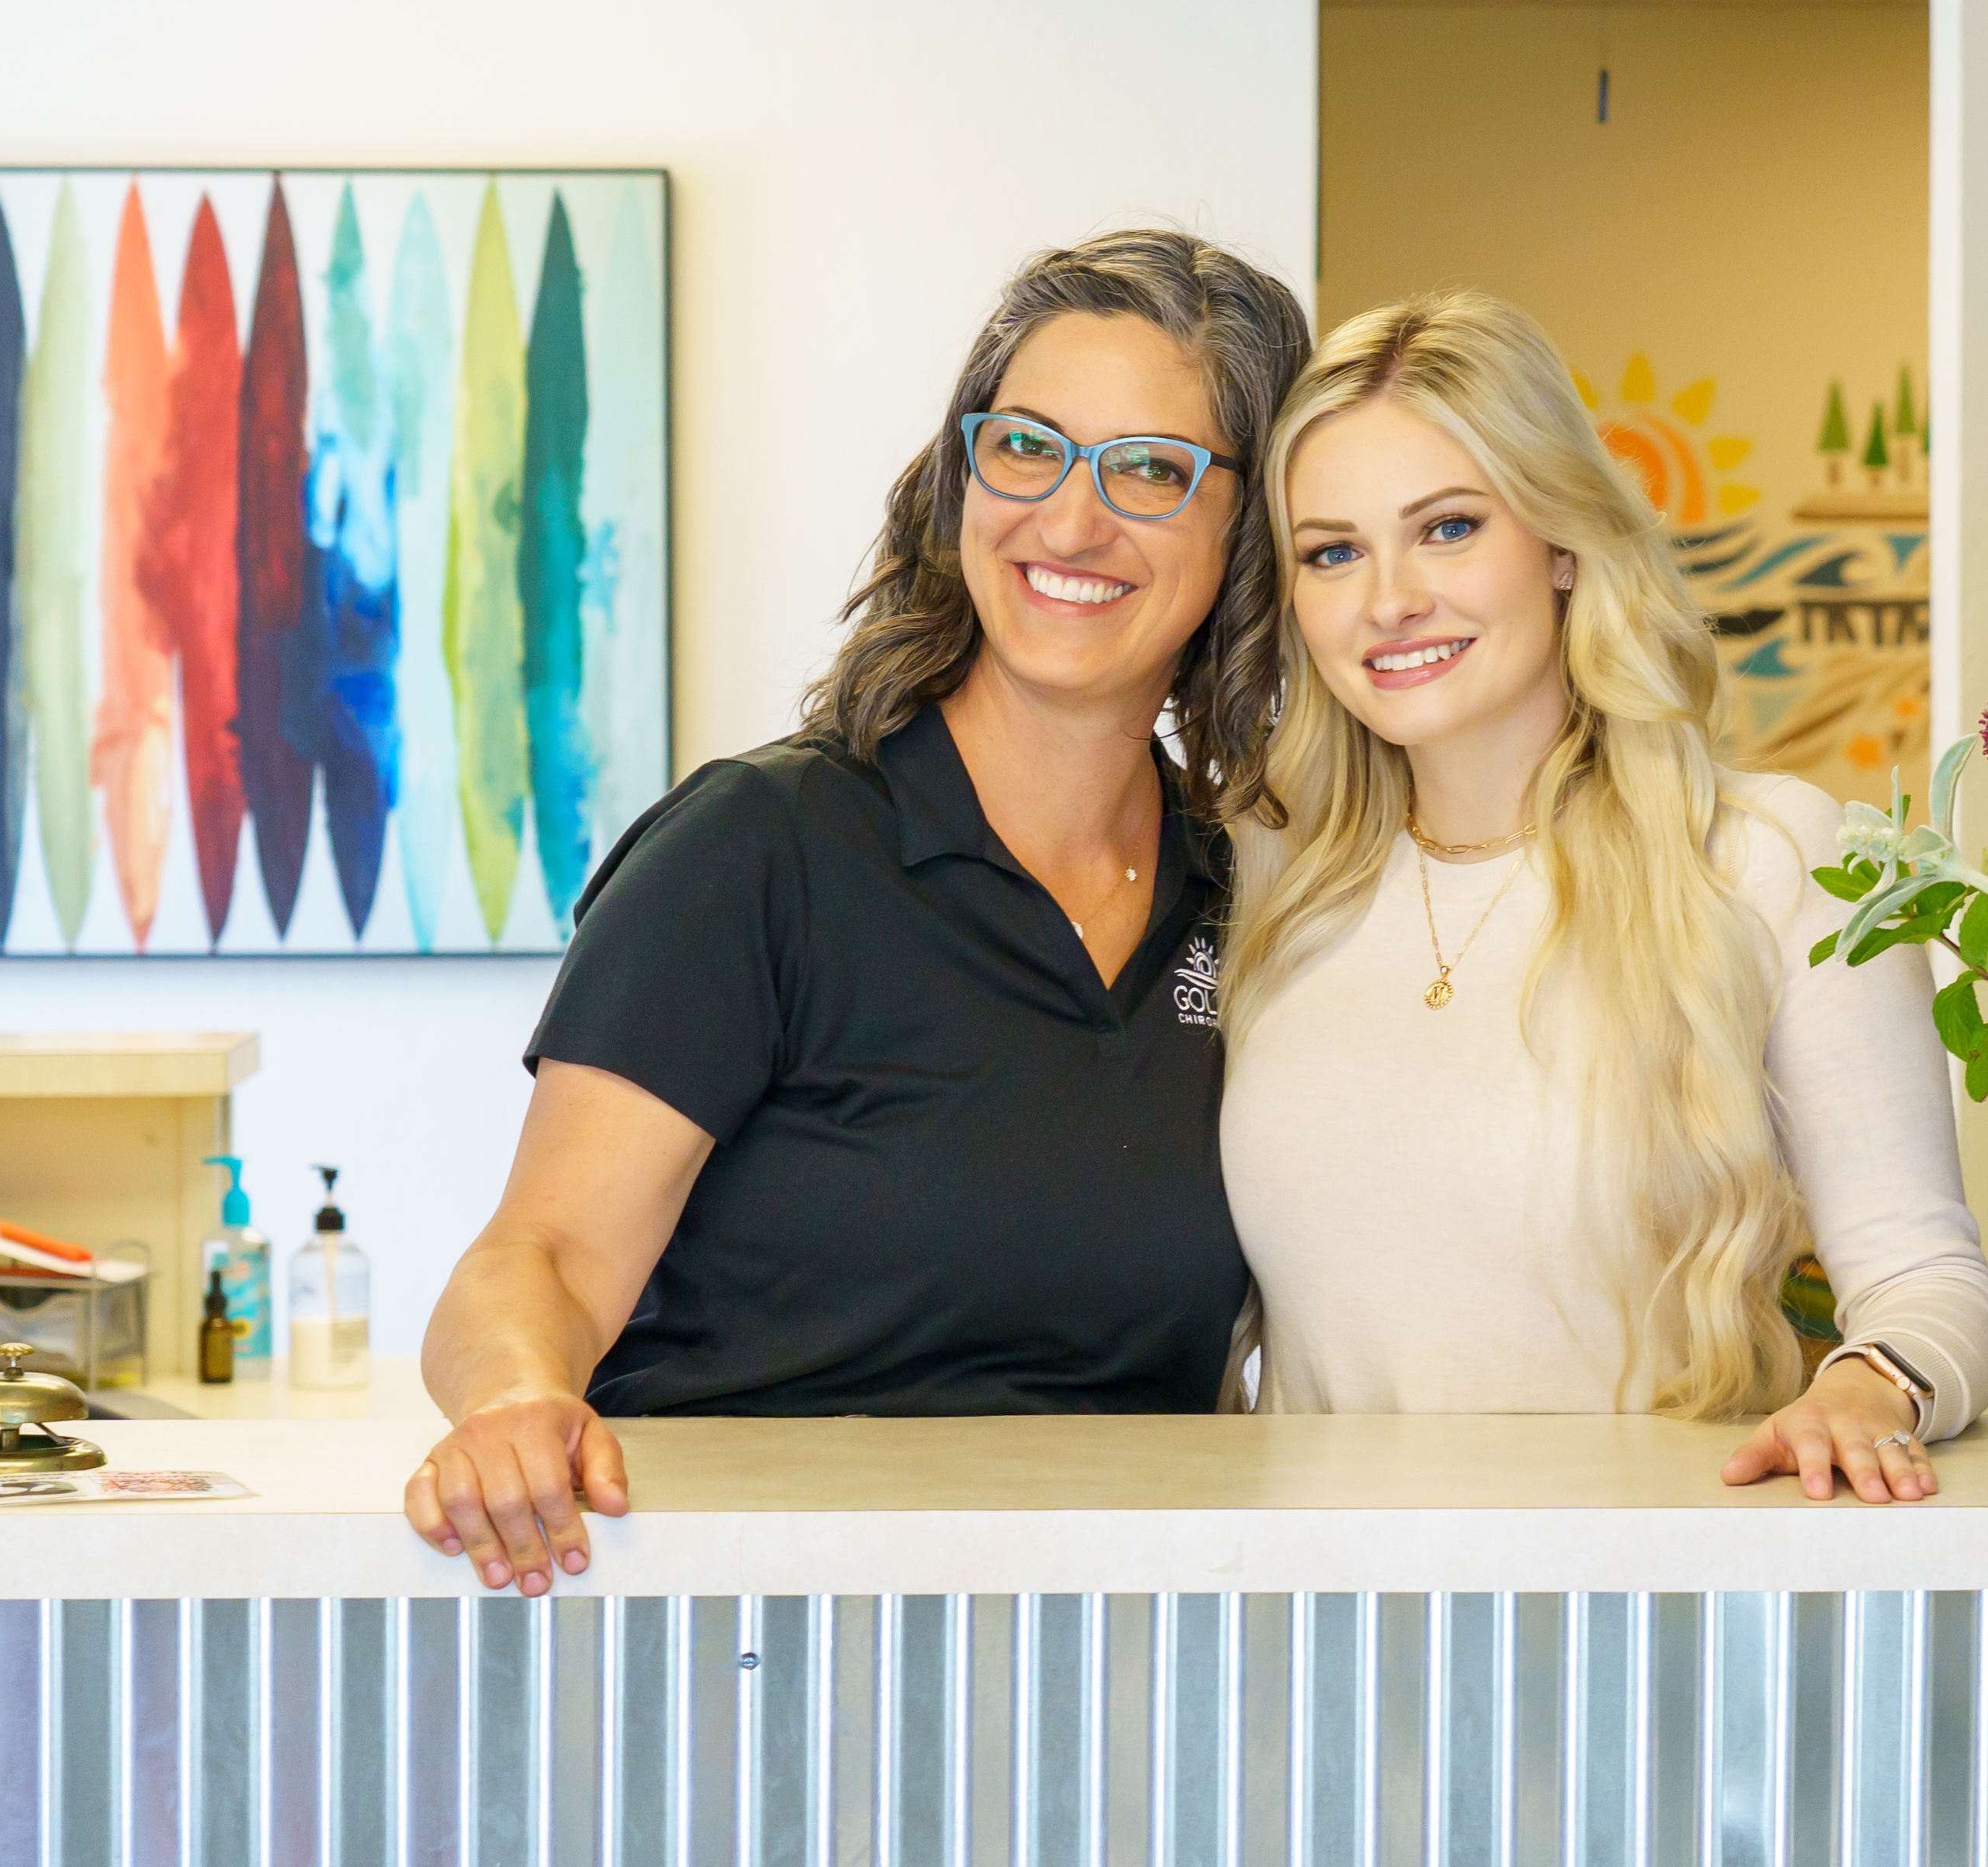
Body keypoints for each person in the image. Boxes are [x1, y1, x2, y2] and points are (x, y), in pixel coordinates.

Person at [404, 231, 1312, 1595]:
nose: (1070, 521)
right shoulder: (761, 850)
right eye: (1025, 447)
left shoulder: (1245, 891)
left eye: (1150, 470)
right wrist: (516, 1398)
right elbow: (541, 1255)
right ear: (961, 478)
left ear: (1250, 533)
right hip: (751, 1635)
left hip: (1109, 1644)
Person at [1217, 292, 1988, 1503]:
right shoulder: (1270, 876)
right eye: (1332, 551)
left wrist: (1864, 1386)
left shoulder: (1767, 857)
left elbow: (1928, 1277)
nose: (1388, 601)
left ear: (1565, 542)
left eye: (1447, 528)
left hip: (1644, 1616)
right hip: (1332, 1620)